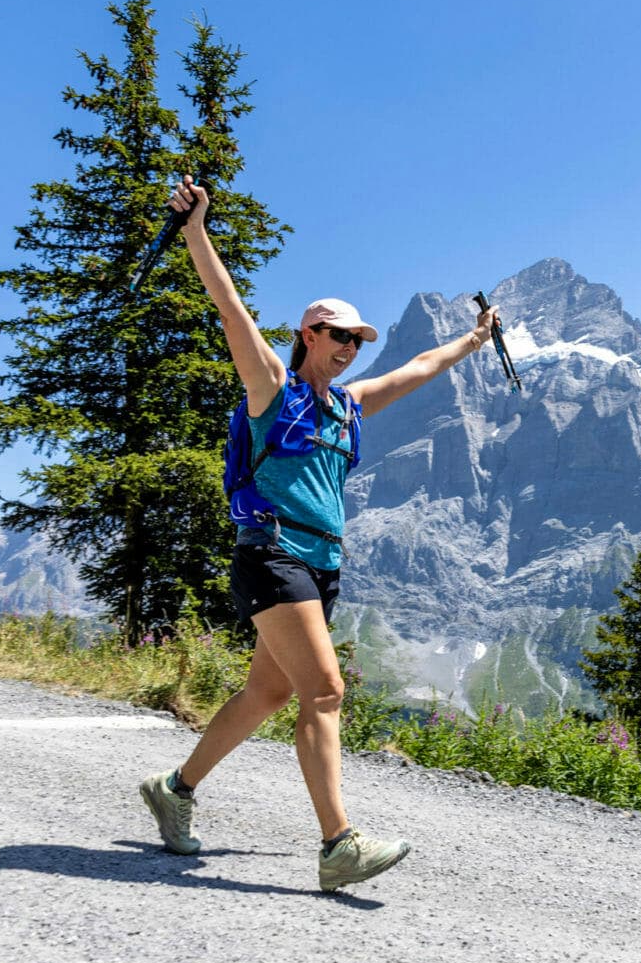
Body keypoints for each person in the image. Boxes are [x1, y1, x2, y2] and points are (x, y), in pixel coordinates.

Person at [139, 174, 498, 892]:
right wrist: (195, 230)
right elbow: (231, 309)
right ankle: (338, 845)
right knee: (326, 692)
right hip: (273, 555)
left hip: (321, 566)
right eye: (339, 337)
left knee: (267, 696)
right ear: (309, 334)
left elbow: (421, 368)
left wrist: (474, 339)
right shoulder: (274, 389)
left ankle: (173, 790)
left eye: (357, 342)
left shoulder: (349, 408)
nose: (350, 350)